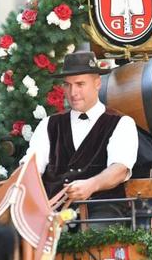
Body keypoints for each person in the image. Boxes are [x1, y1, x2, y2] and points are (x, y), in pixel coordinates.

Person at [23, 51, 138, 206]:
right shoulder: (48, 124)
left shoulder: (122, 123)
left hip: (102, 211)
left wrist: (92, 185)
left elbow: (119, 169)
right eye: (67, 85)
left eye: (80, 84)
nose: (73, 93)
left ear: (97, 83)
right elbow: (30, 168)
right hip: (52, 212)